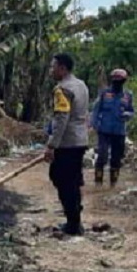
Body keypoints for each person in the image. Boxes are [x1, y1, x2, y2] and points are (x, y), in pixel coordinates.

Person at [46, 53, 90, 236]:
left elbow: (62, 119)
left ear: (62, 68)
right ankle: (74, 219)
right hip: (80, 141)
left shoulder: (62, 89)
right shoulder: (81, 85)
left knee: (61, 179)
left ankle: (73, 223)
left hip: (67, 143)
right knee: (72, 181)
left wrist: (51, 145)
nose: (51, 70)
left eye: (53, 66)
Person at [90, 68, 134, 187]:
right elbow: (96, 110)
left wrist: (127, 115)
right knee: (102, 155)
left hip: (119, 131)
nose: (117, 83)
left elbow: (131, 111)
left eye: (119, 81)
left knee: (116, 158)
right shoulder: (105, 94)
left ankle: (113, 183)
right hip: (104, 130)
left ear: (124, 81)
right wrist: (93, 124)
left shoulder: (128, 95)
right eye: (115, 80)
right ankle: (98, 182)